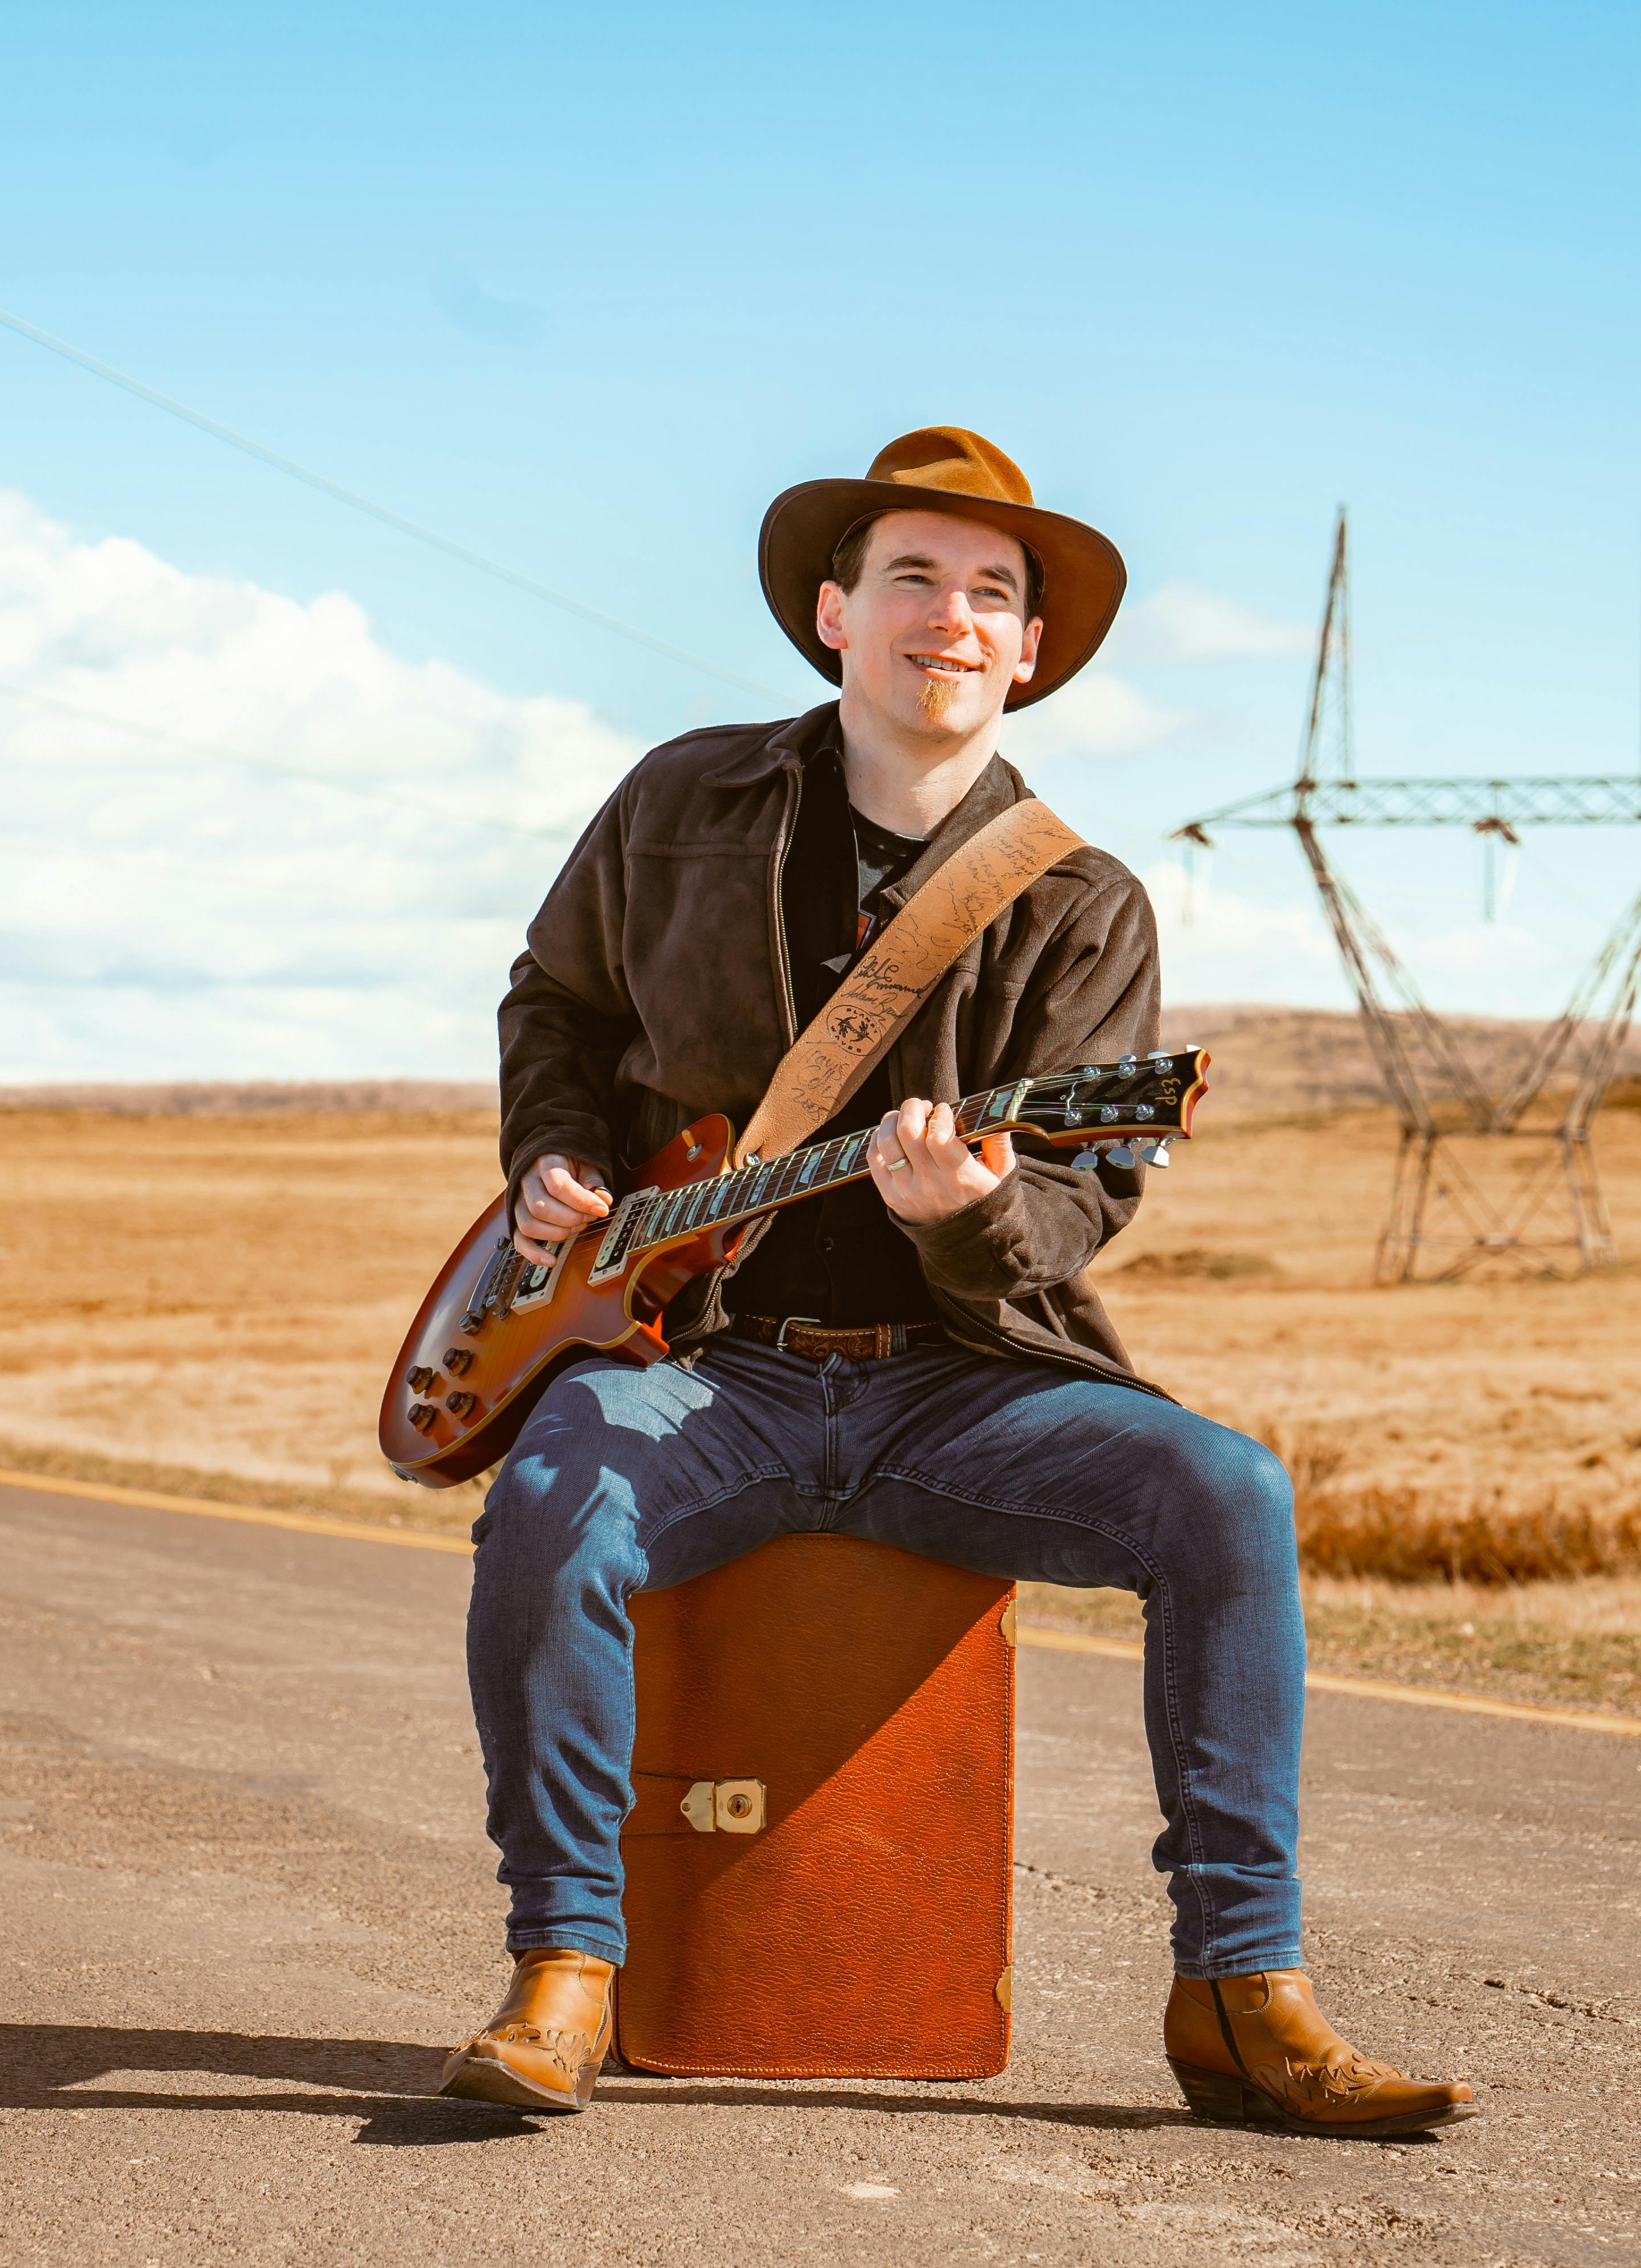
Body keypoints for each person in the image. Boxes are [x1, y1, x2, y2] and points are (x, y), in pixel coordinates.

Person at [432, 428, 1474, 2138]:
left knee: (1228, 1493)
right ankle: (566, 1971)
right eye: (915, 577)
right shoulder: (678, 806)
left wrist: (968, 1217)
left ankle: (1241, 1989)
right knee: (555, 1498)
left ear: (1032, 652)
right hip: (705, 1366)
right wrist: (554, 1159)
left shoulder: (1082, 905)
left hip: (963, 1386)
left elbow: (1077, 1204)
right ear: (836, 613)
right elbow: (556, 1004)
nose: (954, 617)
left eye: (995, 593)